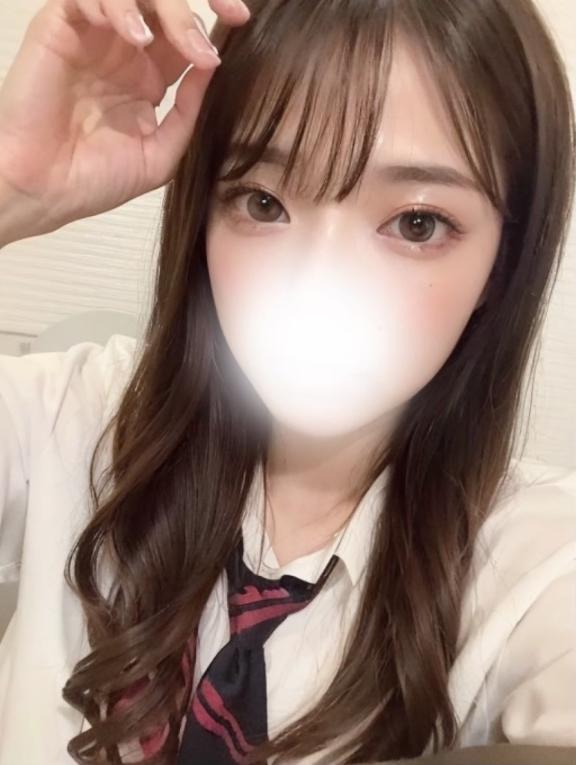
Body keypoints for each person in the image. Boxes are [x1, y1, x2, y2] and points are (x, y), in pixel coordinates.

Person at [0, 0, 575, 764]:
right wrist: (9, 184)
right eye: (263, 202)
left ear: (501, 266)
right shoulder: (74, 418)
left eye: (417, 222)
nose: (317, 280)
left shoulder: (539, 567)